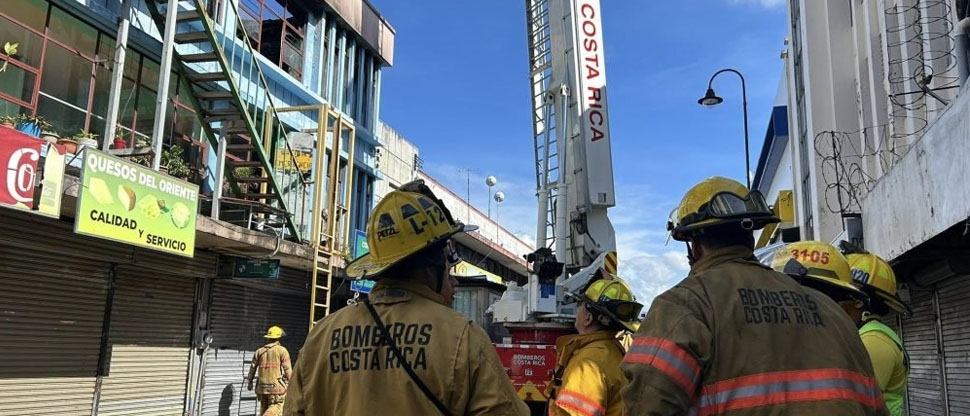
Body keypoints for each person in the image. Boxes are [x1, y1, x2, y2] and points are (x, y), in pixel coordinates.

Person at [620, 177, 887, 415]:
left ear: (695, 245)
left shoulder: (685, 305)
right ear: (750, 238)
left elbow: (647, 404)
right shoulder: (832, 313)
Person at [283, 180, 529, 416]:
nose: (453, 281)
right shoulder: (463, 338)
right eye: (449, 266)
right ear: (432, 266)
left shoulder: (320, 338)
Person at [547, 277, 643, 416]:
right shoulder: (614, 352)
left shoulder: (588, 363)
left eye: (580, 305)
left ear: (588, 318)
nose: (577, 310)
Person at [843, 250, 911, 416]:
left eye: (837, 294)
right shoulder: (863, 335)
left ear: (858, 302)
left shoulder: (873, 340)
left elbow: (859, 406)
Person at [247, 326, 293, 416]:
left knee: (264, 408)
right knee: (278, 406)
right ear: (278, 338)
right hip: (276, 388)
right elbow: (288, 370)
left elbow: (252, 368)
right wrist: (293, 385)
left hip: (262, 388)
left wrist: (250, 382)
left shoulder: (259, 352)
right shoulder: (282, 351)